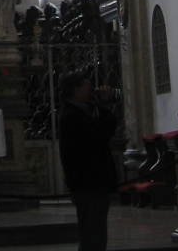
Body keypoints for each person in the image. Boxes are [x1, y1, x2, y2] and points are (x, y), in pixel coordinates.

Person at [57, 71, 118, 251]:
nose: (91, 92)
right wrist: (106, 108)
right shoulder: (72, 116)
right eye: (88, 88)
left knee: (94, 233)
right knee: (93, 236)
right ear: (76, 91)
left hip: (90, 182)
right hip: (89, 183)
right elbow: (101, 134)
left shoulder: (78, 111)